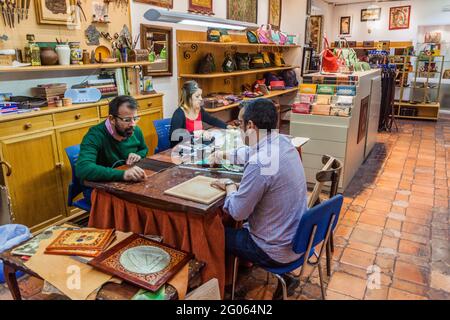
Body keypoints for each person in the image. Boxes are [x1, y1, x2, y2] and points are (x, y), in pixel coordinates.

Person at [210, 98, 308, 299]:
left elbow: (237, 211)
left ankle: (220, 288)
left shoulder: (259, 163)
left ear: (251, 126)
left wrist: (229, 186)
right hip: (297, 240)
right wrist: (223, 155)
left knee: (210, 233)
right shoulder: (282, 142)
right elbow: (251, 152)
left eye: (239, 124)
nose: (238, 129)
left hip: (273, 250)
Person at [76, 95, 148, 183]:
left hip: (125, 182)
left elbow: (144, 149)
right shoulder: (95, 135)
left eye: (135, 118)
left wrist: (138, 155)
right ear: (112, 119)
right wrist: (123, 174)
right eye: (127, 120)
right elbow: (83, 168)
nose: (133, 124)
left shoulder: (134, 130)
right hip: (100, 186)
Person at [169, 80, 234, 147]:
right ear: (188, 97)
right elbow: (174, 135)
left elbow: (212, 120)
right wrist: (195, 133)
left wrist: (227, 126)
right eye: (197, 96)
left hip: (197, 146)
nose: (201, 98)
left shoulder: (199, 110)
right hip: (182, 150)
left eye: (201, 95)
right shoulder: (179, 114)